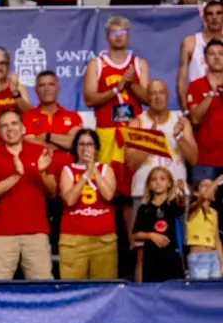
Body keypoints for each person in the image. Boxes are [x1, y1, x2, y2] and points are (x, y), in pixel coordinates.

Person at [0, 109, 56, 280]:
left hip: (36, 233)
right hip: (2, 234)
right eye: (4, 126)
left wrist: (42, 172)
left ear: (23, 128)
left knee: (42, 288)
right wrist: (16, 175)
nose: (10, 128)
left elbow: (52, 192)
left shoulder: (39, 151)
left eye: (14, 123)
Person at [84, 16, 149, 167]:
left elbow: (148, 99)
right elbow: (89, 99)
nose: (119, 36)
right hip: (107, 132)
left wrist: (132, 84)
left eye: (122, 32)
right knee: (106, 179)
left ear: (128, 36)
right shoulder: (96, 64)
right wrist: (116, 89)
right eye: (114, 33)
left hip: (134, 132)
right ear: (107, 37)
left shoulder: (139, 64)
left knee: (136, 182)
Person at [58, 129, 119, 280]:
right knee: (72, 288)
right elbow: (70, 200)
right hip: (74, 240)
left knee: (104, 288)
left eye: (90, 144)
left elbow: (109, 195)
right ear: (75, 148)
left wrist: (94, 170)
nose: (85, 148)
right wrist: (85, 175)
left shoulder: (105, 169)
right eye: (81, 144)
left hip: (103, 240)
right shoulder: (68, 170)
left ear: (96, 148)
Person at [127, 79, 195, 208]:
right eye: (153, 93)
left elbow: (193, 158)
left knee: (179, 229)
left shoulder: (180, 120)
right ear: (147, 98)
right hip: (144, 194)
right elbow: (132, 163)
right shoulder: (137, 123)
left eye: (161, 93)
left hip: (176, 193)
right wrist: (151, 140)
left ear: (168, 95)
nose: (157, 97)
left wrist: (178, 136)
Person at [132, 167, 186, 282]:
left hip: (172, 258)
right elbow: (136, 234)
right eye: (154, 179)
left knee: (175, 291)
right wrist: (151, 235)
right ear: (149, 184)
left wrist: (181, 192)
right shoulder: (144, 208)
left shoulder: (173, 204)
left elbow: (181, 207)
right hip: (152, 259)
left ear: (169, 183)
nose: (158, 182)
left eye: (162, 179)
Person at [22, 70, 82, 171]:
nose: (47, 89)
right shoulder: (28, 116)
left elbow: (74, 143)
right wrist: (62, 143)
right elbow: (28, 143)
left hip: (68, 172)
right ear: (36, 90)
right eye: (42, 85)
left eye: (51, 84)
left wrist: (47, 136)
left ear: (58, 88)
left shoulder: (73, 116)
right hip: (38, 172)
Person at [186, 39, 223, 184]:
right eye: (212, 54)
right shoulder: (196, 86)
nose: (216, 57)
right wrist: (211, 93)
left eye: (220, 54)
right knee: (203, 206)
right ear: (205, 59)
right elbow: (195, 118)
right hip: (205, 161)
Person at [179, 1, 223, 110]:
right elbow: (182, 80)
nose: (214, 17)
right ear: (204, 17)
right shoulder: (190, 42)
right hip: (198, 103)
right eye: (210, 14)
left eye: (218, 13)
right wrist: (186, 111)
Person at [186, 178, 223, 279]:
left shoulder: (214, 213)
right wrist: (219, 179)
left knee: (214, 291)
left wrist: (222, 263)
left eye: (211, 186)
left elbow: (217, 240)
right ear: (196, 193)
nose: (210, 188)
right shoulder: (193, 208)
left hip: (214, 255)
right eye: (204, 185)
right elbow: (204, 197)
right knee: (201, 289)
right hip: (198, 256)